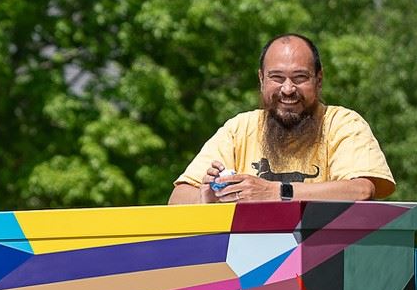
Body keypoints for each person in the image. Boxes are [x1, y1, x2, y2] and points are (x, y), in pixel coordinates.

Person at [168, 33, 395, 204]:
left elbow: (361, 190)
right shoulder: (239, 129)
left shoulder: (343, 124)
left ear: (319, 79)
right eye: (276, 77)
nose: (287, 89)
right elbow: (177, 198)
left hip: (325, 259)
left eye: (300, 78)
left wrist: (274, 192)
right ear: (261, 79)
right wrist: (207, 197)